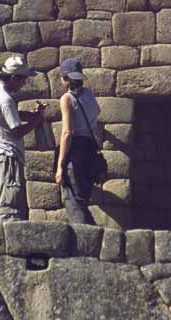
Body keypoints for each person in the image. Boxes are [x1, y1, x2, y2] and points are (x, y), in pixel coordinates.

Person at [0, 54, 45, 222]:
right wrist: (37, 121)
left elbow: (6, 117)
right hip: (6, 159)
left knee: (0, 206)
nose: (24, 83)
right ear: (14, 77)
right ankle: (8, 246)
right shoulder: (6, 99)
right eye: (23, 79)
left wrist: (28, 115)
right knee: (8, 210)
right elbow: (16, 131)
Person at [55, 58, 100, 224]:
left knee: (74, 204)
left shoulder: (67, 99)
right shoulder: (89, 94)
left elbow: (67, 132)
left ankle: (85, 247)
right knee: (82, 202)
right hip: (90, 152)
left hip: (76, 154)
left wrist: (60, 167)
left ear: (66, 78)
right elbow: (98, 111)